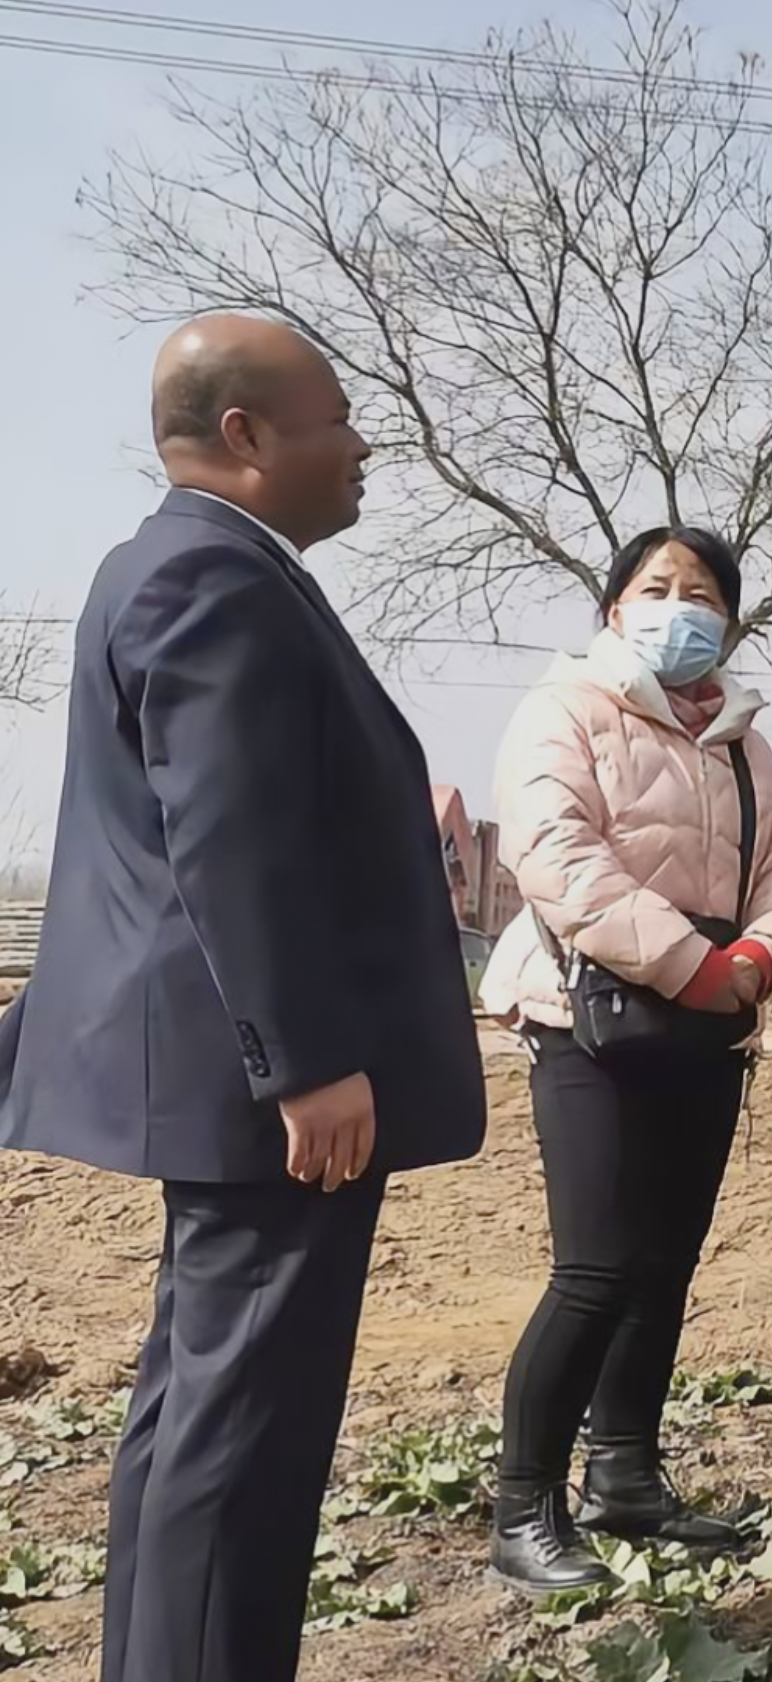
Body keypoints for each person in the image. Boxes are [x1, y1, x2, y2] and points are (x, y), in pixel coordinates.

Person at [0, 316, 487, 1682]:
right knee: (240, 1445)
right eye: (339, 417)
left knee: (199, 1418)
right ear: (247, 435)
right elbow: (232, 835)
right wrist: (306, 1060)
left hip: (239, 1091)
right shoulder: (212, 577)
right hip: (273, 1105)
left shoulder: (175, 565)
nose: (362, 443)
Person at [475, 526, 772, 1593]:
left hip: (711, 1024)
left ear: (731, 619)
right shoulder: (565, 711)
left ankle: (624, 1475)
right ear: (615, 607)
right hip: (590, 1019)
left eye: (703, 593)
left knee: (665, 1263)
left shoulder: (744, 741)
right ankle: (523, 1508)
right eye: (657, 587)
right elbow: (556, 855)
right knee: (595, 1269)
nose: (681, 607)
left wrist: (758, 961)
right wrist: (687, 963)